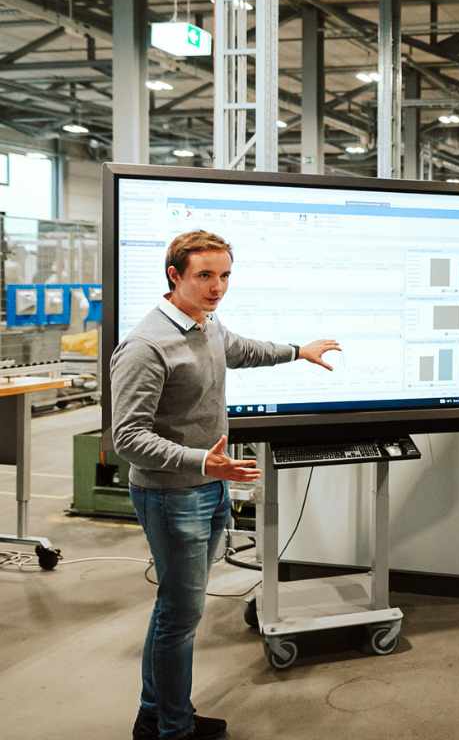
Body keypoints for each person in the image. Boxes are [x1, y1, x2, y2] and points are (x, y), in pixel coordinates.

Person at [111, 231, 341, 740]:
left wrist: (296, 350)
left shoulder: (205, 324)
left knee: (175, 608)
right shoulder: (146, 346)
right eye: (205, 276)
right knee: (180, 614)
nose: (218, 287)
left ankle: (156, 715)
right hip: (171, 494)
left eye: (225, 275)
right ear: (175, 276)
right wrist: (203, 463)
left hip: (206, 486)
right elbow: (127, 438)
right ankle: (173, 728)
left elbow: (239, 349)